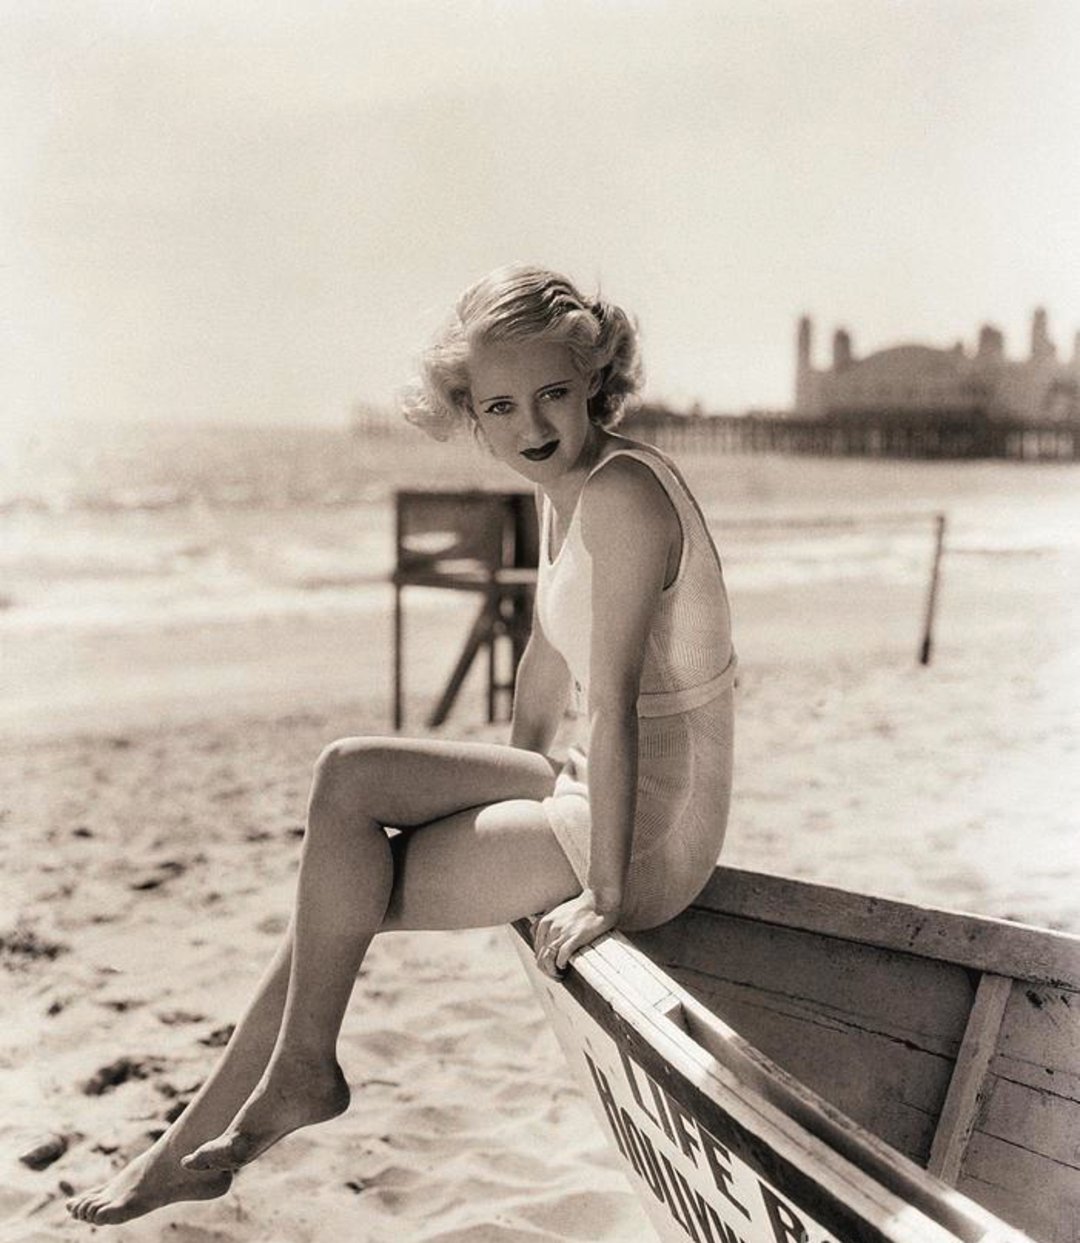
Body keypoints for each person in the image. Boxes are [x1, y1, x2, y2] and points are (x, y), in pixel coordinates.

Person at [67, 264, 736, 1226]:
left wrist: (609, 896)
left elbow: (618, 703)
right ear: (470, 412)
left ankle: (241, 1111)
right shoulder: (569, 485)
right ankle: (266, 1090)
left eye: (552, 393)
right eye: (500, 406)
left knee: (343, 900)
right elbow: (548, 658)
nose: (531, 426)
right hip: (599, 785)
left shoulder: (622, 497)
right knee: (348, 779)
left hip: (647, 834)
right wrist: (504, 781)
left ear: (593, 377)